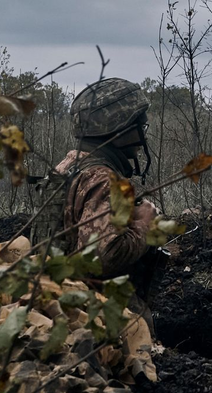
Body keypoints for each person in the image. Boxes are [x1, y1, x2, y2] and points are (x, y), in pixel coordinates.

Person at [55, 77, 161, 315]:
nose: (143, 136)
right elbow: (102, 257)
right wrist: (145, 225)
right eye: (140, 127)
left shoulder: (69, 164)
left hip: (59, 296)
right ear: (119, 130)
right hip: (96, 311)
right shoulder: (103, 179)